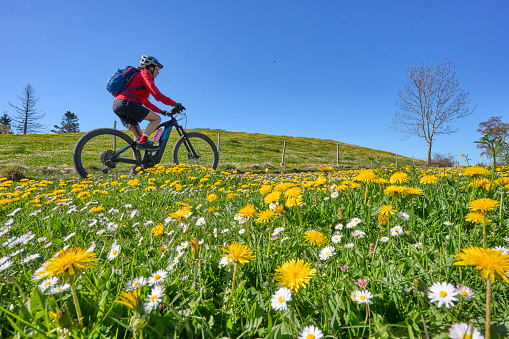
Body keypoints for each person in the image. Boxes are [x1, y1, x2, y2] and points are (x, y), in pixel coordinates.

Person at [112, 55, 184, 150]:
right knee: (156, 119)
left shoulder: (138, 78)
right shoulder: (145, 74)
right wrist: (174, 104)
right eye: (157, 68)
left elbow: (146, 102)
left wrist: (162, 111)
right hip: (127, 103)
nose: (158, 72)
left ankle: (137, 164)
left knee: (138, 139)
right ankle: (143, 142)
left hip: (118, 104)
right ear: (150, 67)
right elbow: (157, 95)